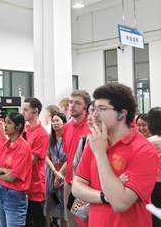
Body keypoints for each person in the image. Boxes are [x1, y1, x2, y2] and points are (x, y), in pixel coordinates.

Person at [72, 83, 160, 226]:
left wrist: (100, 153)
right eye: (94, 109)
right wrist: (104, 196)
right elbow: (77, 187)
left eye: (102, 109)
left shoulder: (144, 150)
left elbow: (120, 203)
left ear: (122, 114)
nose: (94, 115)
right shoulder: (95, 141)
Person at [0, 112, 32, 227]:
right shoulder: (5, 144)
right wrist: (4, 170)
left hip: (15, 195)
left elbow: (12, 177)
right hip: (0, 191)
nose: (5, 126)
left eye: (9, 123)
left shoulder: (24, 147)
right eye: (5, 122)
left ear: (18, 126)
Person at [62, 90, 91, 227]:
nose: (72, 106)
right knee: (72, 219)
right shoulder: (66, 127)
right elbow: (69, 156)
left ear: (86, 107)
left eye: (77, 103)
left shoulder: (91, 128)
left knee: (83, 219)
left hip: (86, 185)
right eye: (71, 102)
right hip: (69, 184)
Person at [22, 97, 49, 227]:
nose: (23, 112)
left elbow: (31, 162)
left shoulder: (42, 134)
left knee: (37, 220)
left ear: (35, 111)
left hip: (35, 185)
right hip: (22, 184)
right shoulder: (25, 130)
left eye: (26, 110)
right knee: (25, 221)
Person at [44, 112, 68, 227]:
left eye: (57, 120)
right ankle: (52, 222)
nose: (55, 123)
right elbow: (46, 156)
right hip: (51, 173)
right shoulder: (50, 138)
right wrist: (54, 171)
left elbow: (70, 159)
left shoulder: (68, 138)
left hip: (65, 173)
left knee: (66, 205)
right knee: (51, 201)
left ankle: (64, 223)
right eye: (53, 121)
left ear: (64, 122)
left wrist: (59, 175)